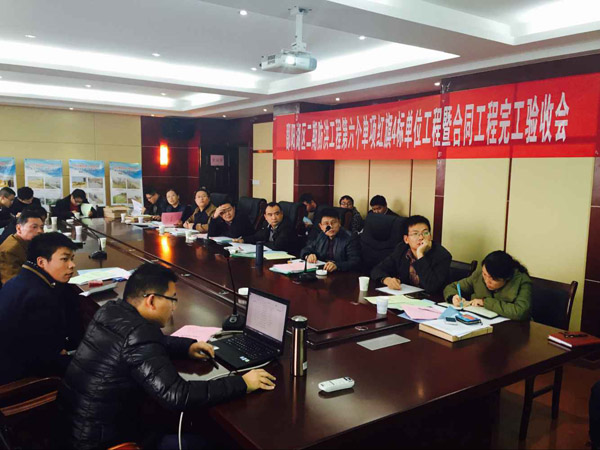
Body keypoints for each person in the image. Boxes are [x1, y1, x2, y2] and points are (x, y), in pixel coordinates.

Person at [57, 262, 276, 450]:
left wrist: (187, 347)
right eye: (172, 299)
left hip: (73, 429)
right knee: (211, 441)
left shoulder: (111, 311)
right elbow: (176, 395)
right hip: (109, 443)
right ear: (151, 301)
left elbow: (143, 343)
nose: (173, 307)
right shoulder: (139, 333)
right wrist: (242, 383)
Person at [0, 232, 81, 385]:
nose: (72, 265)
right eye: (64, 259)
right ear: (41, 262)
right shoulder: (40, 297)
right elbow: (45, 362)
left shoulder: (18, 281)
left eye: (72, 258)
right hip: (18, 380)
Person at [371, 215, 451, 294]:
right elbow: (377, 270)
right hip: (406, 297)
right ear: (406, 239)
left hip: (432, 299)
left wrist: (420, 255)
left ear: (430, 236)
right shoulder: (401, 249)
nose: (421, 237)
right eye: (415, 234)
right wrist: (387, 280)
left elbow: (431, 287)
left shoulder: (442, 256)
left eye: (425, 233)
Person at [443, 250, 532, 321]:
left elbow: (520, 312)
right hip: (480, 322)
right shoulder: (479, 275)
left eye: (493, 279)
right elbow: (452, 287)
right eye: (485, 275)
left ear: (506, 278)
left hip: (513, 329)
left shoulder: (522, 281)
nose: (486, 281)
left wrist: (485, 302)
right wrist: (453, 296)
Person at [300, 208, 361, 272]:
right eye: (326, 223)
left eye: (333, 222)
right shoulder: (321, 235)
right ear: (321, 226)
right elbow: (306, 249)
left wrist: (337, 266)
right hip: (323, 271)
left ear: (339, 223)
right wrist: (308, 255)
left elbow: (355, 262)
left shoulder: (350, 238)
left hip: (342, 274)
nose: (330, 226)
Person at [0, 209, 45, 283]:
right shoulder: (9, 251)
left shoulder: (26, 241)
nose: (40, 231)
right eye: (34, 227)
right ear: (19, 228)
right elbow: (12, 284)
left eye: (41, 227)